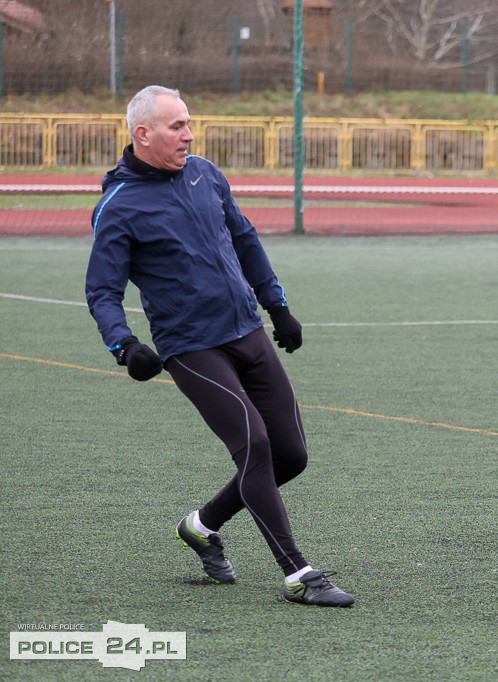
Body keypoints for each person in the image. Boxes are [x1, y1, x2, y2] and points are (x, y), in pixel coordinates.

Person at [85, 85, 353, 608]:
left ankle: (201, 525)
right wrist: (124, 346)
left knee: (292, 456)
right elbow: (102, 291)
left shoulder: (207, 173)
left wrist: (277, 307)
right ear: (143, 134)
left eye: (188, 123)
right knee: (254, 444)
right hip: (191, 347)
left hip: (248, 332)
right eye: (176, 126)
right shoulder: (117, 207)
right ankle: (298, 573)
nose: (189, 134)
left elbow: (245, 238)